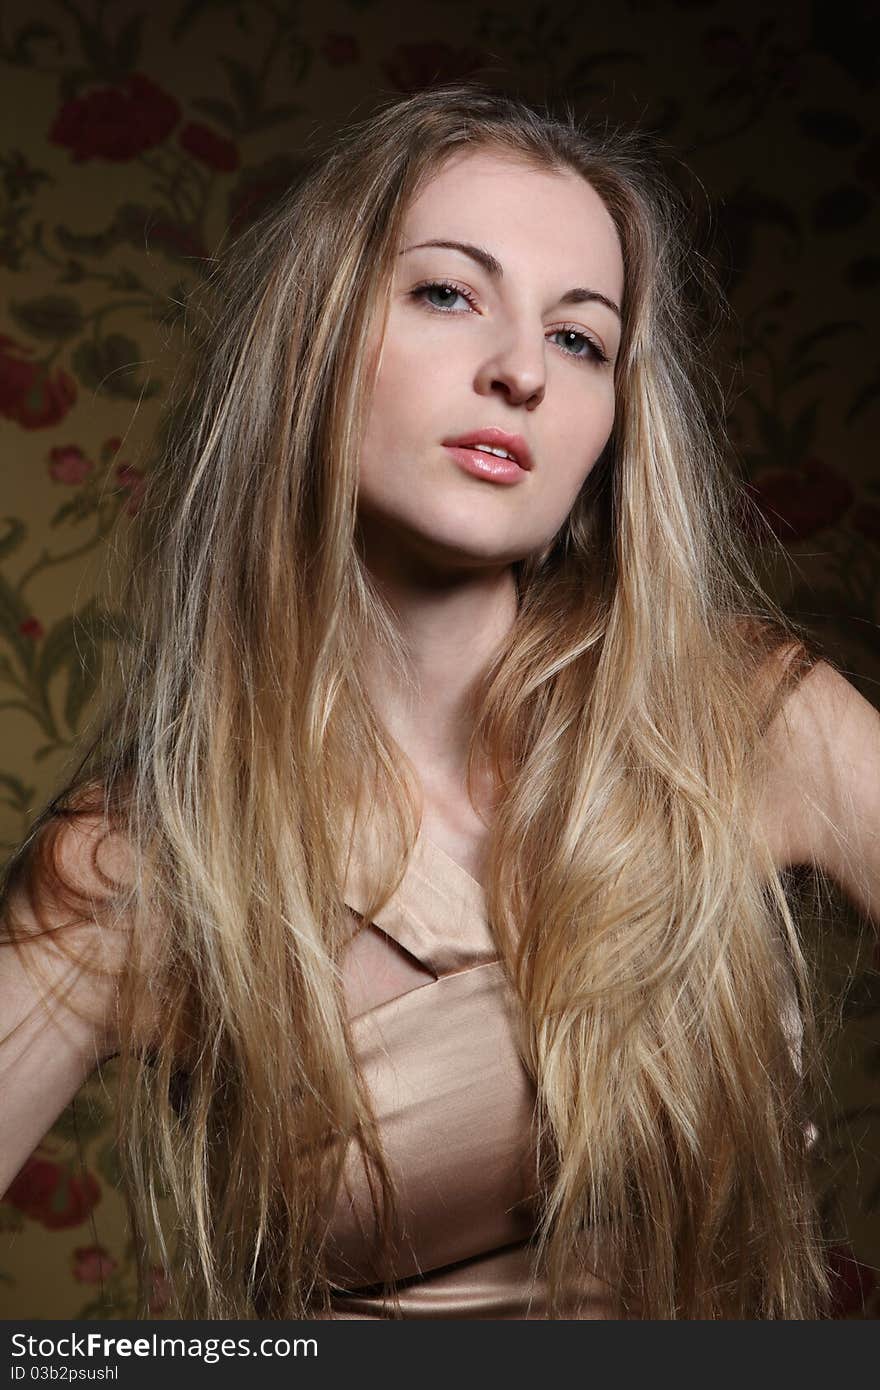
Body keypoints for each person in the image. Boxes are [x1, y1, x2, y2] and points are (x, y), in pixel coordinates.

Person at [1, 83, 879, 1322]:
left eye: (579, 338)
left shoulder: (752, 718)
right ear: (313, 346)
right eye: (447, 293)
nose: (520, 369)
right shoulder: (145, 864)